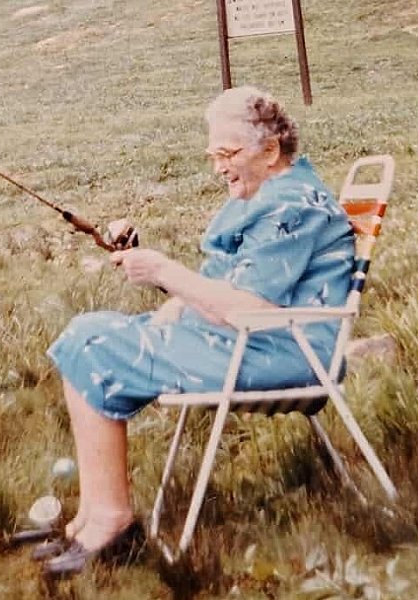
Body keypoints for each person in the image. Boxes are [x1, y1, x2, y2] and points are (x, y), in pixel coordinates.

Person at [38, 87, 357, 577]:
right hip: (257, 341)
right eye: (213, 156)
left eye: (227, 154)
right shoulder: (271, 195)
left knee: (92, 340)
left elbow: (247, 308)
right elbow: (229, 290)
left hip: (284, 353)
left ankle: (112, 523)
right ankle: (91, 517)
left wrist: (164, 271)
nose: (218, 167)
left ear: (270, 149)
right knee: (90, 334)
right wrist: (172, 293)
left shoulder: (292, 206)